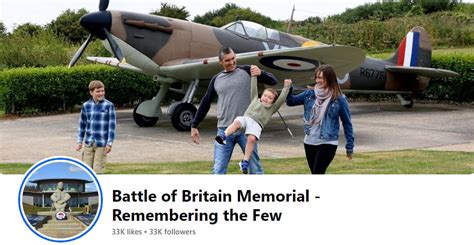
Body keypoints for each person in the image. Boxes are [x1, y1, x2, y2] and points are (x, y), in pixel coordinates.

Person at [191, 46, 277, 174]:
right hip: (224, 129)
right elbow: (205, 102)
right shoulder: (216, 79)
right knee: (218, 169)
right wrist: (194, 125)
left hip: (246, 130)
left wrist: (261, 73)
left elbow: (273, 81)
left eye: (233, 58)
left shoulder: (247, 70)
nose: (231, 62)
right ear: (221, 62)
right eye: (227, 60)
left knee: (255, 169)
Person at [286, 65, 354, 174]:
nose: (317, 80)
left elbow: (347, 124)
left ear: (329, 78)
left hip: (328, 142)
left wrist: (349, 146)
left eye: (320, 78)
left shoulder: (339, 99)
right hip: (309, 141)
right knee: (315, 173)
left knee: (317, 173)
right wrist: (289, 88)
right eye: (316, 78)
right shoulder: (309, 94)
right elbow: (291, 102)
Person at [215, 76, 290, 174]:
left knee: (251, 139)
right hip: (246, 118)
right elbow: (253, 87)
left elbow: (281, 98)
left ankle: (244, 162)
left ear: (273, 101)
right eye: (265, 95)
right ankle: (224, 136)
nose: (266, 98)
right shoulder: (255, 99)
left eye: (270, 98)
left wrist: (286, 87)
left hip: (256, 125)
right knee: (237, 122)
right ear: (261, 95)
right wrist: (254, 76)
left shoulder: (272, 108)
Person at [75, 80, 116, 174]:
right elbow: (82, 125)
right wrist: (79, 141)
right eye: (98, 91)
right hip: (88, 143)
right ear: (91, 92)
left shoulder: (109, 105)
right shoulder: (86, 105)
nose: (101, 93)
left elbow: (112, 127)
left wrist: (109, 143)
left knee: (98, 171)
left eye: (102, 91)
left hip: (101, 144)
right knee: (86, 170)